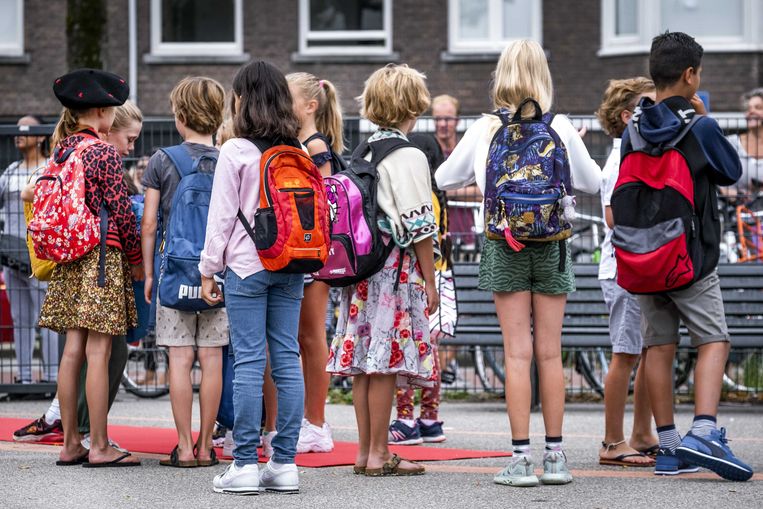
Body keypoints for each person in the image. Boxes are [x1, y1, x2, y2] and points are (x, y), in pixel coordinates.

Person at [436, 39, 601, 487]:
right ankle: (556, 458)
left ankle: (519, 459)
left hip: (504, 243)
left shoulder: (487, 128)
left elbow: (443, 178)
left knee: (516, 353)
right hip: (552, 245)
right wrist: (570, 150)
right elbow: (593, 181)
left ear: (501, 75)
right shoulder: (560, 125)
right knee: (550, 353)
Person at [617, 31, 752, 481]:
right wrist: (705, 119)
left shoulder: (632, 129)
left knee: (658, 347)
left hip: (643, 256)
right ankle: (706, 431)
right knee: (714, 339)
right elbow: (731, 172)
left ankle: (670, 448)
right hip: (691, 258)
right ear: (690, 74)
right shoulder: (700, 126)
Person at [326, 63, 438, 477]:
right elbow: (419, 224)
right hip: (393, 270)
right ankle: (380, 454)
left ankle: (363, 452)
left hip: (360, 272)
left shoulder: (363, 151)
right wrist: (430, 280)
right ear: (413, 105)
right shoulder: (408, 155)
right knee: (385, 363)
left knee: (362, 363)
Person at [12, 101, 144, 448]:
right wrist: (136, 257)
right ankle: (98, 445)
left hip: (68, 256)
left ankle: (71, 442)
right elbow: (122, 212)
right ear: (102, 112)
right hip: (100, 256)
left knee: (72, 351)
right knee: (99, 353)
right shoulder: (102, 152)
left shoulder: (63, 149)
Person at [201, 60, 306, 494]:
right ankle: (284, 463)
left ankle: (244, 463)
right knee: (286, 358)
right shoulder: (296, 151)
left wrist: (208, 267)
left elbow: (222, 215)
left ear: (241, 100)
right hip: (293, 265)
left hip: (247, 266)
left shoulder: (236, 150)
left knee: (247, 360)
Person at [141, 76, 228, 469]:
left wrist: (147, 273)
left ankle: (184, 447)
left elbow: (148, 223)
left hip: (174, 272)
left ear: (179, 116)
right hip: (219, 273)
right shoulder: (230, 158)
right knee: (211, 358)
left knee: (179, 359)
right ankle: (209, 445)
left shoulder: (163, 160)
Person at [595, 78, 659, 468]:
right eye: (649, 105)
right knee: (626, 354)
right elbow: (612, 216)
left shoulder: (639, 151)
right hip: (624, 268)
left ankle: (641, 432)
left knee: (648, 350)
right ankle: (612, 441)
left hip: (641, 266)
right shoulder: (621, 156)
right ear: (627, 116)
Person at [280, 71, 345, 454]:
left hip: (314, 252)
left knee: (310, 336)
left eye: (286, 98)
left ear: (310, 105)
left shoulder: (315, 145)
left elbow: (325, 200)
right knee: (302, 337)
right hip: (303, 250)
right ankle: (309, 418)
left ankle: (317, 422)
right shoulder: (301, 142)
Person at [388, 131, 450, 445]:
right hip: (440, 275)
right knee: (430, 350)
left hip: (420, 278)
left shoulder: (419, 195)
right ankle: (430, 417)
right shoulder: (439, 197)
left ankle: (406, 416)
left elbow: (419, 235)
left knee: (409, 350)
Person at [0, 114, 58, 385]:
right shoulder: (10, 171)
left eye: (27, 129)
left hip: (40, 252)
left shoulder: (49, 169)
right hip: (12, 254)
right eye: (17, 130)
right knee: (19, 317)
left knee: (47, 317)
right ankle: (23, 377)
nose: (19, 134)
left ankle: (52, 376)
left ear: (41, 137)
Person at [432, 95, 482, 260]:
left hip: (467, 233)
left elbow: (483, 191)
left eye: (448, 119)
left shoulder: (465, 153)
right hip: (438, 235)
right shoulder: (429, 153)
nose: (442, 124)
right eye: (437, 119)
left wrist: (446, 191)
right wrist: (465, 190)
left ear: (458, 120)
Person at [725, 88, 763, 200]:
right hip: (737, 212)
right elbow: (718, 182)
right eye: (748, 108)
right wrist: (738, 195)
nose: (751, 111)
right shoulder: (731, 143)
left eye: (758, 108)